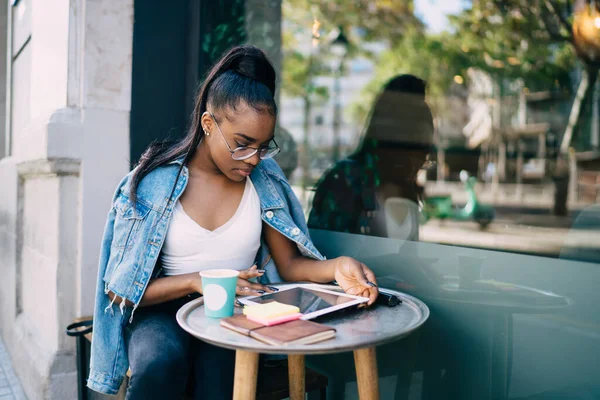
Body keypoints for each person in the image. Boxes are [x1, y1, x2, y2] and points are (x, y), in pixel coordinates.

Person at [87, 45, 378, 399]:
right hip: (162, 313)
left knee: (220, 378)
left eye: (263, 146)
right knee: (159, 364)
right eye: (242, 144)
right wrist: (199, 281)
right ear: (209, 124)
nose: (254, 159)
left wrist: (338, 267)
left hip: (234, 314)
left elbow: (290, 265)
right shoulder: (154, 182)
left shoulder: (264, 182)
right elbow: (121, 291)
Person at [308, 74, 435, 238]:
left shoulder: (406, 187)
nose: (420, 161)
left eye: (425, 151)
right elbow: (320, 249)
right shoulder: (346, 179)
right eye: (416, 149)